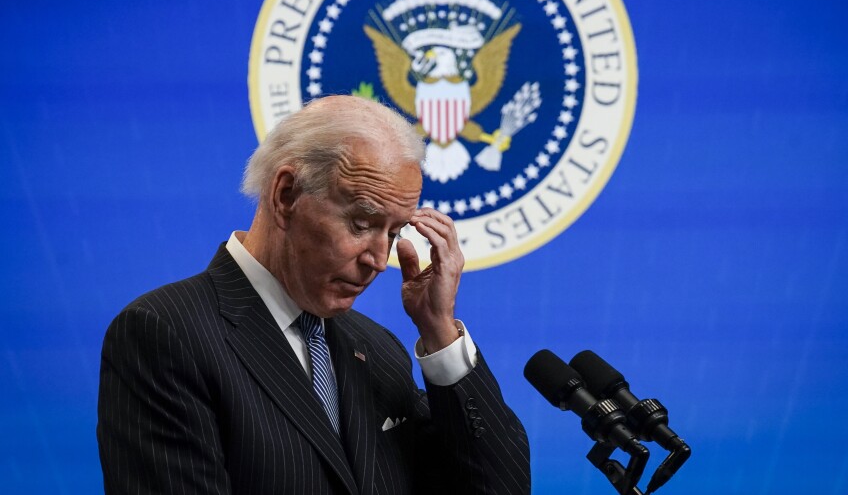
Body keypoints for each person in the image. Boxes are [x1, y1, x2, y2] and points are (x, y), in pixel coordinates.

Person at [97, 95, 530, 494]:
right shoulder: (166, 332)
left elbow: (499, 487)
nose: (379, 260)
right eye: (361, 223)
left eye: (394, 232)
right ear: (286, 195)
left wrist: (439, 335)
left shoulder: (377, 350)